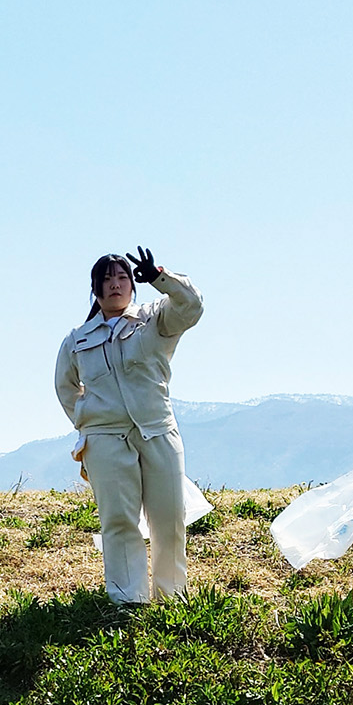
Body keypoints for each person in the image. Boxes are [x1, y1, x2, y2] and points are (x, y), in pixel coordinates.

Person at [54, 247, 204, 604]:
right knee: (119, 522)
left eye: (122, 277)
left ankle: (171, 598)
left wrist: (160, 278)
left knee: (169, 519)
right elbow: (65, 387)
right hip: (105, 439)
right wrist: (91, 421)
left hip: (158, 430)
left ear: (133, 285)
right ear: (95, 289)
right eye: (106, 279)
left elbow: (192, 306)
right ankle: (127, 600)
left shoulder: (154, 320)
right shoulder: (77, 339)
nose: (115, 285)